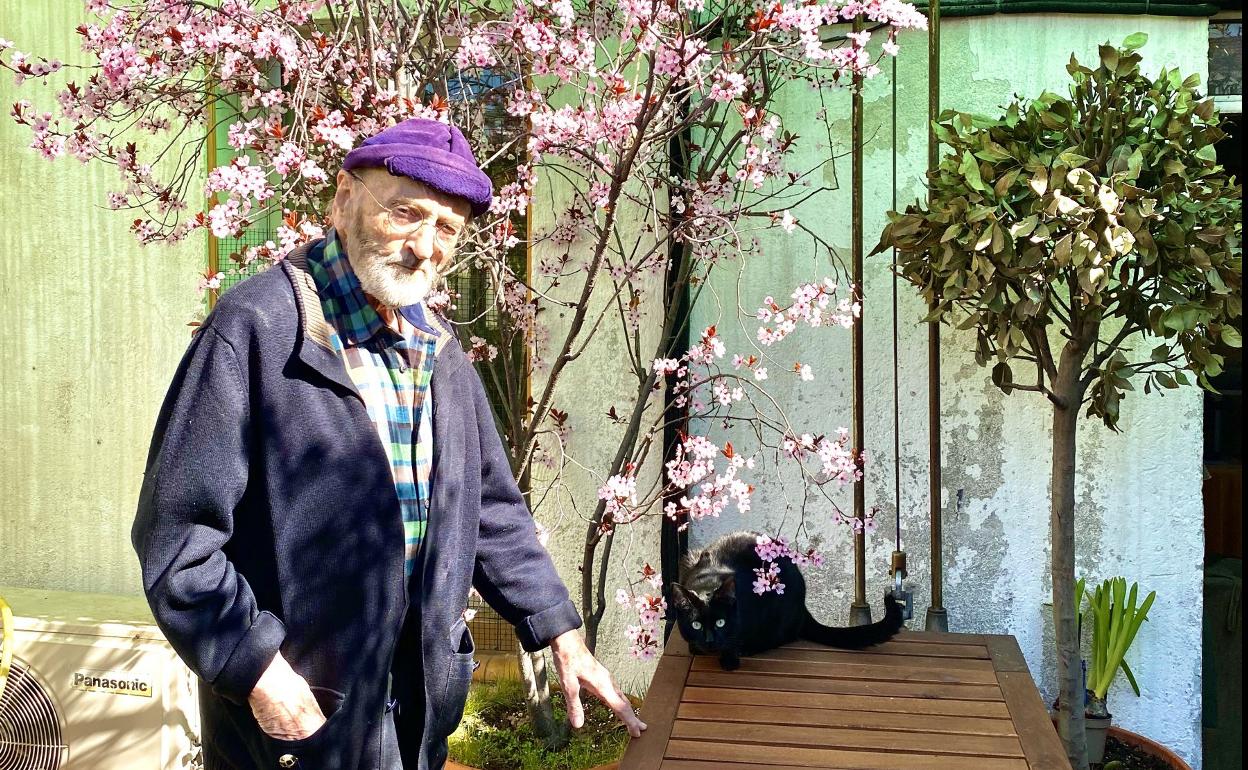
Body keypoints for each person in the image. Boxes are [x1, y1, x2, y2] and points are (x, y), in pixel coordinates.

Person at [132, 117, 646, 770]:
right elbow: (177, 540)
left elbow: (490, 506)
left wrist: (560, 630)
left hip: (415, 717)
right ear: (343, 198)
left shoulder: (436, 348)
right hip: (296, 722)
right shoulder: (257, 332)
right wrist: (255, 666)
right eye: (406, 213)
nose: (425, 246)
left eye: (447, 230)